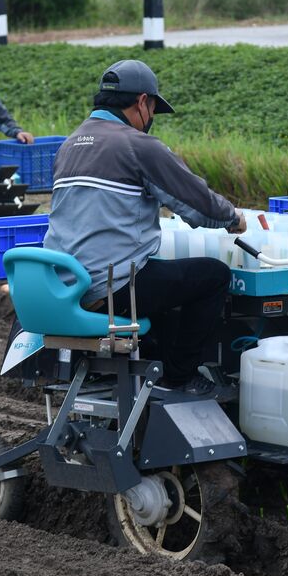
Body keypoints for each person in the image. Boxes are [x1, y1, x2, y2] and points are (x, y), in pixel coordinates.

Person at [42, 59, 246, 393]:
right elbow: (196, 202)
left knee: (163, 280)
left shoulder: (70, 145)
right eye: (152, 109)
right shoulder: (138, 145)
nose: (150, 119)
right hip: (108, 287)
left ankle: (151, 364)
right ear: (141, 102)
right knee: (213, 276)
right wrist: (233, 218)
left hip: (62, 286)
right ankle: (181, 377)